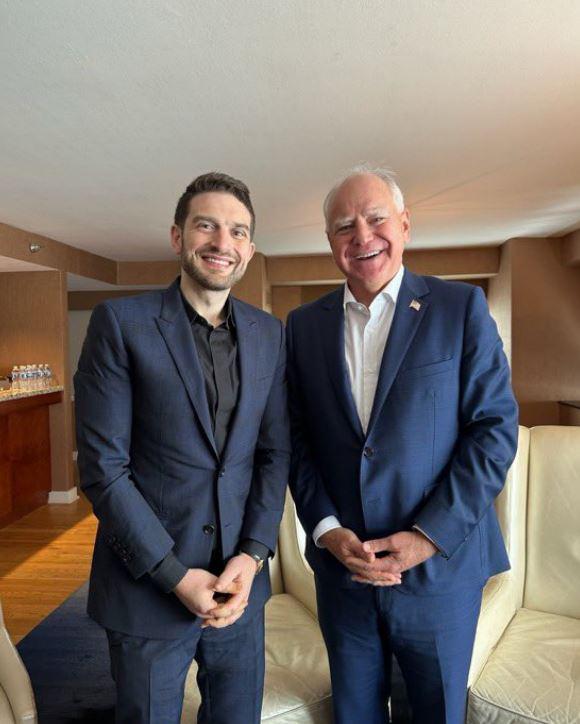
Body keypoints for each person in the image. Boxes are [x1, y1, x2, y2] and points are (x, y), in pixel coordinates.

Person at [286, 165, 518, 724]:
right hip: (345, 573)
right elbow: (295, 440)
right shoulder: (302, 326)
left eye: (376, 219)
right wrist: (327, 529)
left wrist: (427, 536)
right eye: (345, 226)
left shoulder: (460, 308)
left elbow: (493, 430)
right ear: (330, 241)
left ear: (405, 225)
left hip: (440, 573)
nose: (362, 236)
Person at [74, 172, 290, 724]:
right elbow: (103, 470)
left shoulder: (269, 334)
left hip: (239, 590)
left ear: (250, 249)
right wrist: (173, 574)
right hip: (147, 591)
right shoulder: (121, 323)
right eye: (206, 226)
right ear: (178, 237)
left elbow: (273, 455)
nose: (223, 242)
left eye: (238, 232)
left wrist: (253, 555)